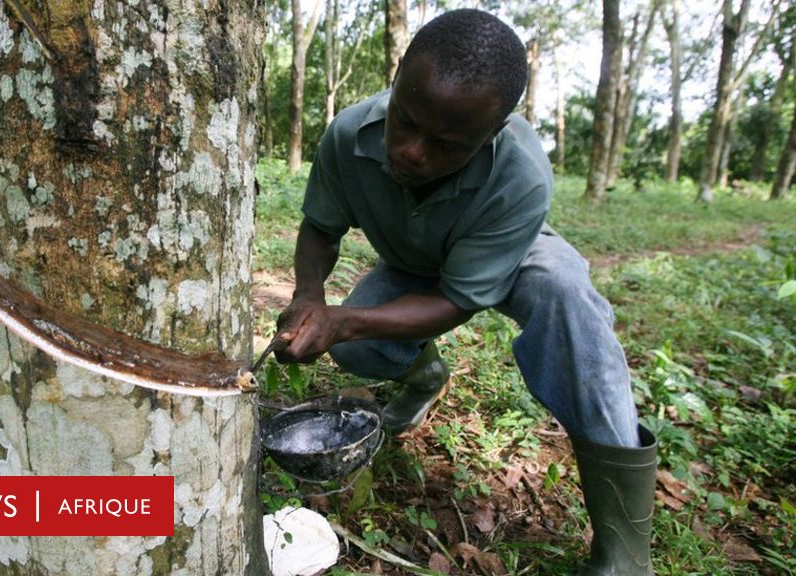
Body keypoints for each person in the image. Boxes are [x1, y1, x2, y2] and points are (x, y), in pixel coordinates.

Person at [272, 9, 658, 576]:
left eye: (445, 145)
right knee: (355, 346)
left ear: (493, 131)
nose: (410, 151)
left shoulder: (520, 174)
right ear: (398, 78)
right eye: (404, 121)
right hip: (416, 263)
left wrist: (346, 318)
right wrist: (310, 295)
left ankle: (625, 551)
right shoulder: (350, 134)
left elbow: (459, 299)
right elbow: (321, 227)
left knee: (566, 300)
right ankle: (426, 379)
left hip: (512, 252)